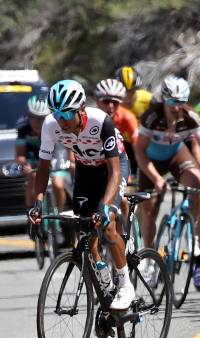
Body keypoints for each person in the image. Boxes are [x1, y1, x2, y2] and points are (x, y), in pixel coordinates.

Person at [28, 79, 133, 310]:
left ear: (81, 109)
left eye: (66, 114)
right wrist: (38, 203)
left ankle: (126, 284)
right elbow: (43, 168)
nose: (61, 121)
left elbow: (115, 170)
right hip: (86, 169)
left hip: (112, 168)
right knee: (84, 230)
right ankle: (102, 275)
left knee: (106, 223)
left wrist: (105, 206)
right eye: (56, 114)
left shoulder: (100, 121)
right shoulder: (50, 125)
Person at [135, 75, 200, 289]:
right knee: (149, 210)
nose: (177, 107)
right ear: (164, 99)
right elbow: (138, 150)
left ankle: (192, 232)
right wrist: (155, 178)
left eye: (181, 101)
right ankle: (149, 257)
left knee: (197, 182)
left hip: (176, 155)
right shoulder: (151, 117)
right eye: (173, 102)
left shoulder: (190, 116)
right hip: (151, 160)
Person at [17, 96, 71, 213]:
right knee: (33, 178)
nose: (36, 122)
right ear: (28, 115)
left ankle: (60, 213)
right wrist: (25, 164)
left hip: (55, 154)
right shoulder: (23, 127)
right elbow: (20, 155)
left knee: (58, 183)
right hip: (33, 156)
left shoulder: (57, 124)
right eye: (33, 117)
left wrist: (71, 161)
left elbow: (68, 145)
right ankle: (31, 211)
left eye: (42, 119)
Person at [94, 79, 139, 180]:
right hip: (94, 160)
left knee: (124, 191)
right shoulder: (89, 117)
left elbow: (138, 148)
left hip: (119, 157)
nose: (111, 106)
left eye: (115, 102)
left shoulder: (128, 117)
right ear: (97, 101)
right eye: (106, 101)